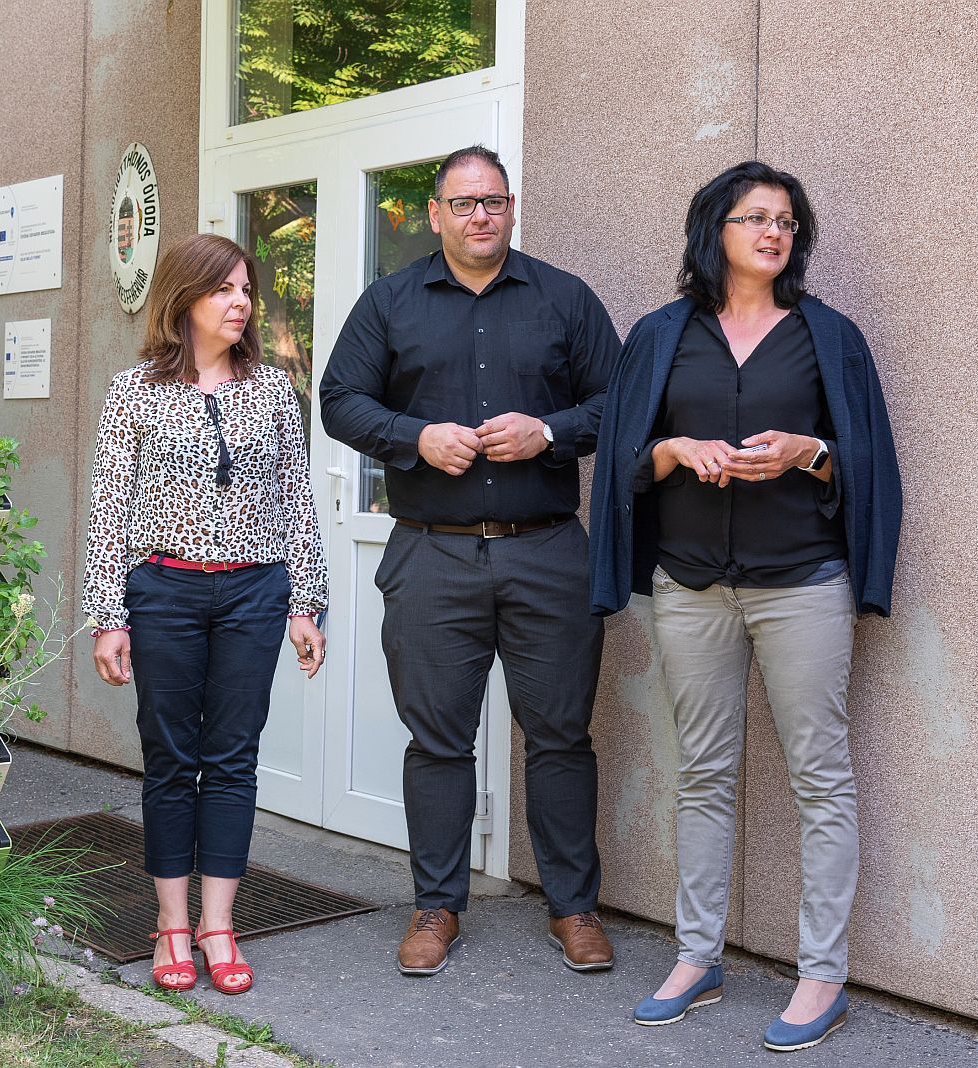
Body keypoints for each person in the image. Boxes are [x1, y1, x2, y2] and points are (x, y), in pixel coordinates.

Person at [587, 161, 901, 1051]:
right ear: (714, 230)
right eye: (756, 218)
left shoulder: (828, 337)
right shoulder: (661, 335)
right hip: (691, 588)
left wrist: (809, 452)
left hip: (801, 584)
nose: (774, 234)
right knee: (703, 774)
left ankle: (822, 975)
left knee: (821, 777)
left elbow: (868, 459)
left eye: (787, 223)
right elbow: (622, 459)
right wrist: (673, 452)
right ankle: (698, 958)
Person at [319, 145, 622, 977]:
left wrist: (550, 432)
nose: (479, 215)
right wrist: (413, 437)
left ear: (511, 207)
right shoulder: (389, 302)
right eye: (463, 203)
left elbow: (622, 402)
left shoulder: (564, 298)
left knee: (560, 738)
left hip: (546, 551)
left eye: (493, 201)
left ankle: (574, 908)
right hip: (432, 554)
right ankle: (436, 906)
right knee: (438, 741)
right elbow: (339, 399)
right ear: (435, 214)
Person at [83, 233, 328, 996]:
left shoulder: (273, 391)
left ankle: (218, 926)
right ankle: (171, 926)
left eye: (246, 290)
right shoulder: (134, 392)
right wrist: (108, 615)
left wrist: (305, 603)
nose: (240, 303)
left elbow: (296, 502)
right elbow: (108, 509)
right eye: (223, 289)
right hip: (165, 592)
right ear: (184, 298)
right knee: (170, 759)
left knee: (231, 758)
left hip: (254, 592)